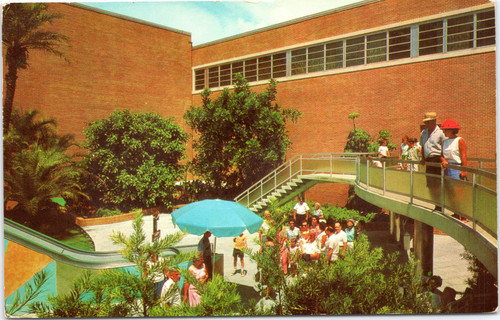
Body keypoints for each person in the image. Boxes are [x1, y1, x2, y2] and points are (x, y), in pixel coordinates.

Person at [440, 119, 468, 221]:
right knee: (451, 192)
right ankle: (456, 213)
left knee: (459, 192)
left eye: (446, 130)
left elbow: (464, 156)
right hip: (448, 168)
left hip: (457, 167)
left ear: (452, 130)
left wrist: (463, 170)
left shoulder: (460, 140)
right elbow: (442, 155)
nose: (444, 132)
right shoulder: (445, 142)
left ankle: (464, 215)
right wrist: (443, 160)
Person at [420, 112, 446, 211]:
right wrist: (423, 158)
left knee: (438, 183)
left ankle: (440, 205)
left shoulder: (440, 133)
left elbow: (444, 146)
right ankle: (436, 203)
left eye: (429, 122)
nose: (427, 124)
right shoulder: (423, 133)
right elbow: (422, 146)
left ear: (434, 121)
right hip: (428, 160)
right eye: (426, 122)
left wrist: (443, 159)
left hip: (437, 159)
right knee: (430, 184)